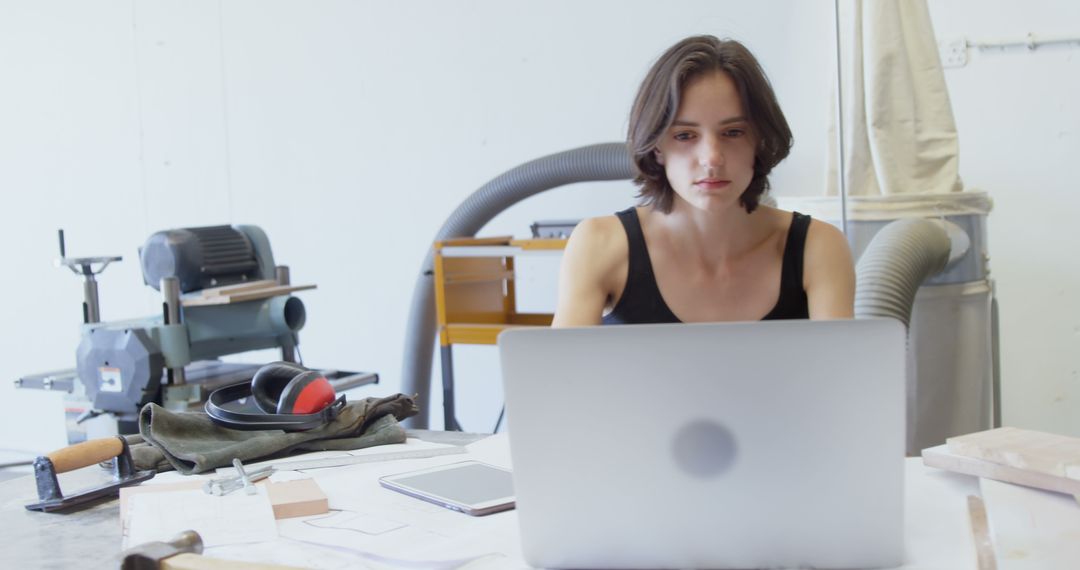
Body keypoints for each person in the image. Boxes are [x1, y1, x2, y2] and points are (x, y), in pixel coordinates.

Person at [552, 35, 854, 327]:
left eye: (733, 132)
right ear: (657, 147)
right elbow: (559, 376)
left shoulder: (818, 247)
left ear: (760, 139)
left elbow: (846, 376)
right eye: (684, 135)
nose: (712, 158)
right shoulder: (599, 244)